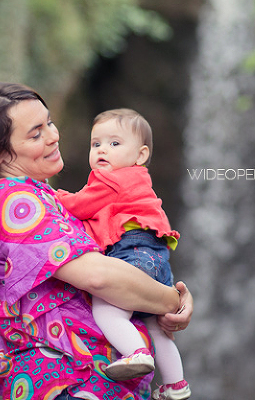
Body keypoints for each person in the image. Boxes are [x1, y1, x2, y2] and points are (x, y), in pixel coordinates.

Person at [0, 82, 193, 400]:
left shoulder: (43, 196)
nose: (53, 135)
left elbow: (123, 269)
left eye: (49, 122)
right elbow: (99, 275)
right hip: (61, 383)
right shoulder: (8, 198)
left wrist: (171, 300)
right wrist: (172, 302)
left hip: (90, 382)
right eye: (36, 134)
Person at [56, 109, 190, 400]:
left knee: (108, 309)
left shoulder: (113, 180)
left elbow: (79, 206)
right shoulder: (138, 180)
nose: (103, 149)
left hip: (132, 251)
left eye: (115, 144)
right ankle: (176, 384)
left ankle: (136, 353)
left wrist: (53, 196)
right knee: (156, 326)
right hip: (157, 258)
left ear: (140, 155)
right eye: (96, 144)